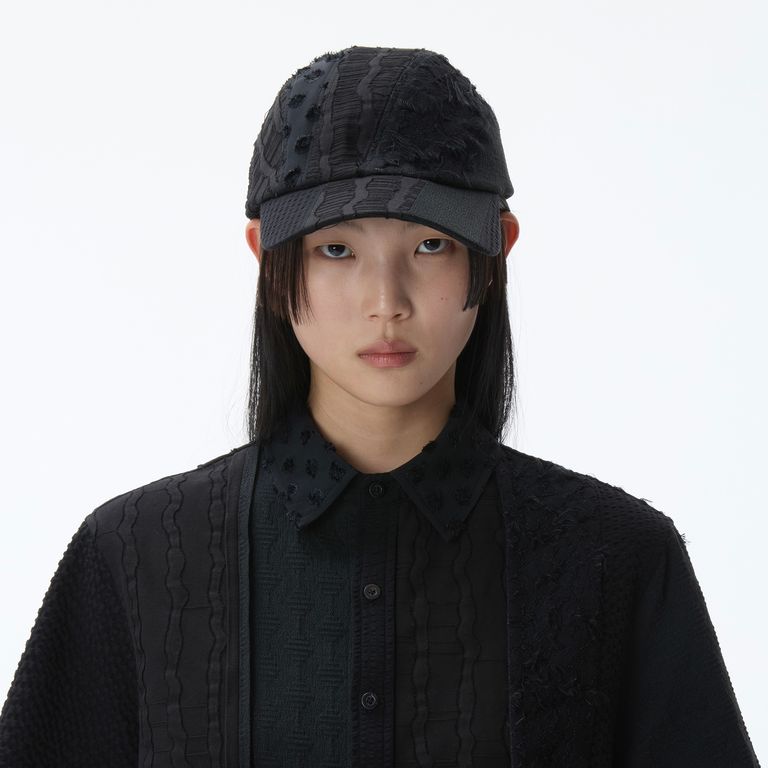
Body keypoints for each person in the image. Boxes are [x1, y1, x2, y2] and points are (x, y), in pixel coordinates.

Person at [0, 45, 760, 768]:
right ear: (267, 257)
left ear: (496, 250)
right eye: (336, 249)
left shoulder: (618, 561)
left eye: (431, 246)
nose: (386, 301)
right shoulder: (132, 557)